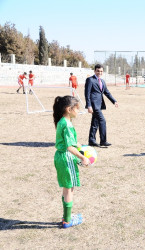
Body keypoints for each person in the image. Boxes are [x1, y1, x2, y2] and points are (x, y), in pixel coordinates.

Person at [53, 95, 90, 228]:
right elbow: (69, 147)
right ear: (69, 109)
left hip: (60, 157)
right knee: (69, 190)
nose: (79, 111)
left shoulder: (62, 121)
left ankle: (66, 216)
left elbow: (70, 142)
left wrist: (80, 146)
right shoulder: (67, 124)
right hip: (66, 158)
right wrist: (82, 157)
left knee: (66, 188)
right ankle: (67, 221)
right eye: (77, 109)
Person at [85, 64, 118, 147]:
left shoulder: (102, 81)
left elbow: (106, 92)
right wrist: (89, 106)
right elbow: (87, 94)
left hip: (99, 105)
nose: (99, 72)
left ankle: (91, 140)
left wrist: (114, 101)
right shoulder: (90, 80)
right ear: (95, 71)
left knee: (95, 123)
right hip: (93, 105)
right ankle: (103, 141)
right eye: (98, 71)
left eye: (101, 71)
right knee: (102, 120)